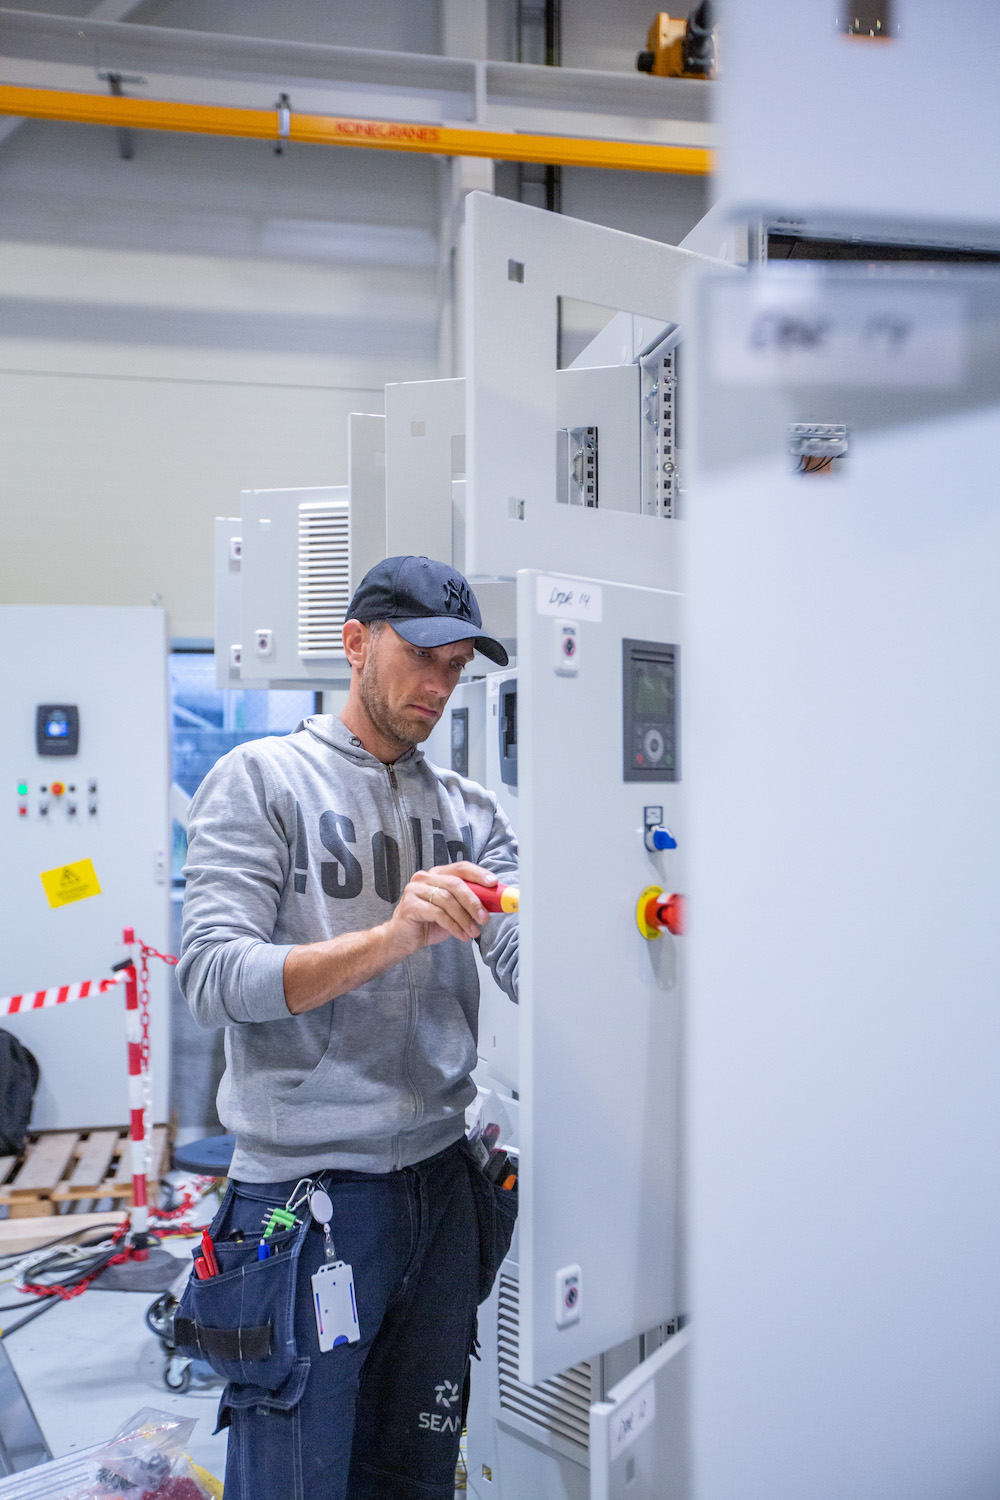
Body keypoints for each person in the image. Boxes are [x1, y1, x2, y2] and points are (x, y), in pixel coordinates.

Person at [177, 555, 519, 1500]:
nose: (441, 686)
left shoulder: (471, 812)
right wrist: (394, 933)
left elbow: (530, 965)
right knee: (297, 1479)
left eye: (458, 666)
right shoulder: (263, 780)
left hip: (441, 1191)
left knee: (412, 1475)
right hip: (308, 1198)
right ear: (357, 643)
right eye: (422, 657)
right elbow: (212, 976)